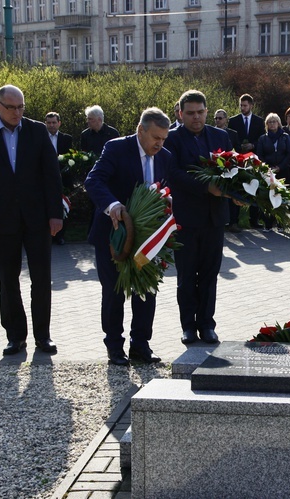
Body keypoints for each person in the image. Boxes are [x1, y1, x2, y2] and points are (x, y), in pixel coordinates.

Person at [0, 84, 62, 356]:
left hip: (38, 219)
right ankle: (15, 337)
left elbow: (51, 174)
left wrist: (55, 213)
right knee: (8, 280)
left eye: (21, 107)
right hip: (0, 221)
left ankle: (43, 336)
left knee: (41, 279)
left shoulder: (36, 130)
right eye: (11, 107)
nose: (17, 112)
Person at [85, 107, 173, 366]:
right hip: (113, 236)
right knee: (114, 291)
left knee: (146, 290)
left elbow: (168, 189)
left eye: (164, 138)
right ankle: (114, 347)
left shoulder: (165, 156)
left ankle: (141, 345)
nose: (160, 143)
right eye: (156, 137)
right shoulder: (116, 148)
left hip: (148, 239)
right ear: (140, 130)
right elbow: (94, 181)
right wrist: (113, 206)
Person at [164, 89, 233, 346]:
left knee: (209, 274)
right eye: (190, 113)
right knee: (186, 275)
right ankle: (188, 327)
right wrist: (206, 187)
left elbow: (232, 170)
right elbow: (173, 174)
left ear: (206, 111)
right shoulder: (171, 139)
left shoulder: (221, 136)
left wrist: (239, 192)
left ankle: (207, 325)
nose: (196, 117)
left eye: (200, 112)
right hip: (185, 219)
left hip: (214, 219)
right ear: (181, 114)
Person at [228, 94, 266, 228]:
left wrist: (253, 145)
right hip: (238, 158)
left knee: (254, 187)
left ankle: (253, 220)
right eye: (241, 105)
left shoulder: (258, 121)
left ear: (251, 105)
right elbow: (231, 137)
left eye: (245, 105)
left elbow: (262, 138)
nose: (242, 108)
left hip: (253, 158)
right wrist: (239, 147)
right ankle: (234, 221)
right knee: (237, 188)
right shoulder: (233, 120)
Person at [256, 113, 290, 231]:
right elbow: (260, 155)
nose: (272, 124)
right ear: (266, 125)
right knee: (268, 197)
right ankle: (268, 223)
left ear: (279, 123)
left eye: (274, 121)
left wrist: (280, 167)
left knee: (282, 197)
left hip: (282, 171)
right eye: (269, 122)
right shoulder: (262, 138)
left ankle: (281, 222)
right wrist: (268, 168)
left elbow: (289, 154)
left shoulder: (285, 137)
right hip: (268, 172)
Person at [44, 111, 73, 245]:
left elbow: (71, 157)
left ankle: (60, 236)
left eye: (54, 122)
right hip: (45, 179)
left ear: (59, 123)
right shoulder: (41, 137)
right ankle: (48, 235)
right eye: (49, 123)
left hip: (64, 178)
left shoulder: (67, 138)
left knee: (63, 207)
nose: (51, 125)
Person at [214, 108, 242, 234]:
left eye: (220, 118)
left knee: (232, 196)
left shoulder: (233, 133)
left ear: (226, 119)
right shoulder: (210, 132)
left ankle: (233, 222)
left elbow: (236, 151)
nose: (217, 120)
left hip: (230, 168)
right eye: (216, 118)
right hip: (216, 168)